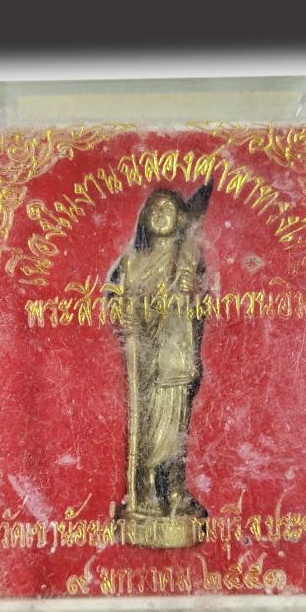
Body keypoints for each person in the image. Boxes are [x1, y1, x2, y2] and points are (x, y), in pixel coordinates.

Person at [109, 183, 213, 533]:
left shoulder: (187, 261)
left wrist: (189, 290)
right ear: (144, 218)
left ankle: (175, 491)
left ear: (181, 218)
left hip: (175, 356)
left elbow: (197, 306)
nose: (160, 215)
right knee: (149, 427)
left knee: (173, 428)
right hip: (145, 358)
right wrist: (126, 316)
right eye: (154, 209)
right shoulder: (133, 262)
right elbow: (122, 302)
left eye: (168, 209)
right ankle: (148, 490)